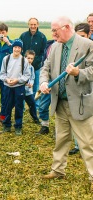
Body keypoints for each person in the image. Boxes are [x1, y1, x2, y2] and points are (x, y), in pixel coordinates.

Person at [40, 16, 93, 192]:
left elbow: (92, 70)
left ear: (67, 27)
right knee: (61, 139)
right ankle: (58, 170)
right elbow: (45, 68)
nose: (53, 34)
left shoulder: (86, 45)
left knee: (87, 143)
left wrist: (79, 72)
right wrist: (43, 82)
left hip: (79, 103)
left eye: (55, 30)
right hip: (60, 102)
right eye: (52, 31)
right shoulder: (54, 46)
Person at [0, 39, 30, 136]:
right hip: (7, 87)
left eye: (19, 47)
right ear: (12, 48)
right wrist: (7, 80)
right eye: (15, 47)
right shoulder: (6, 59)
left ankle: (18, 126)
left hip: (19, 87)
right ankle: (6, 125)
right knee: (7, 105)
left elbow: (27, 75)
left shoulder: (24, 61)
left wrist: (17, 80)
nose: (17, 49)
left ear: (21, 49)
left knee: (19, 107)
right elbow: (2, 74)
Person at [68, 22, 91, 155]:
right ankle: (78, 145)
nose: (80, 40)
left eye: (83, 36)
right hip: (79, 89)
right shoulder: (74, 50)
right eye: (78, 37)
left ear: (89, 35)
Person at [19, 17, 47, 108]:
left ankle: (36, 106)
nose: (33, 26)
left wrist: (35, 61)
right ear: (28, 25)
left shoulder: (42, 37)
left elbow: (44, 52)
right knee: (22, 86)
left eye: (35, 24)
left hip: (36, 67)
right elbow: (19, 50)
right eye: (31, 24)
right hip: (23, 68)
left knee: (35, 87)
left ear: (37, 25)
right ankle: (21, 106)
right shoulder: (23, 36)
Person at [36, 39, 56, 135]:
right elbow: (45, 63)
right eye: (53, 31)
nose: (55, 33)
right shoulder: (49, 44)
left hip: (60, 79)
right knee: (43, 104)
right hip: (48, 78)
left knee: (60, 107)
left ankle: (59, 129)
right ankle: (45, 125)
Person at [24, 50, 40, 124]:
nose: (30, 60)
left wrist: (31, 83)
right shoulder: (21, 67)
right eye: (28, 58)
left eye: (31, 59)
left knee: (32, 104)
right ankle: (3, 116)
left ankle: (35, 118)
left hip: (28, 91)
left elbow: (32, 78)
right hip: (20, 90)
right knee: (12, 104)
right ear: (25, 58)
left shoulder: (32, 68)